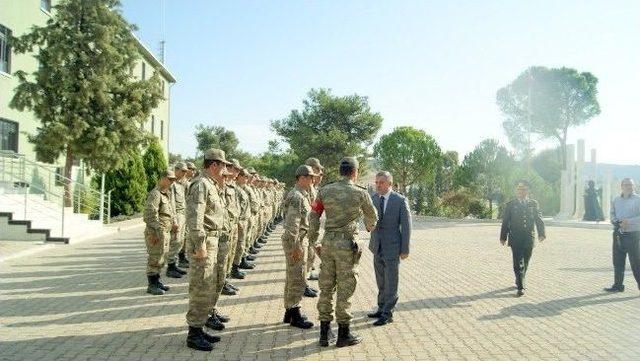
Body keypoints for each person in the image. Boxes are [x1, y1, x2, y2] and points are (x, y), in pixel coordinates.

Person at [310, 157, 377, 347]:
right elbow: (372, 217)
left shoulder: (325, 190)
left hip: (328, 244)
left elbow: (314, 214)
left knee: (326, 287)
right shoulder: (360, 193)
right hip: (348, 245)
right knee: (345, 289)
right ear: (355, 172)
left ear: (340, 171)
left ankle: (324, 333)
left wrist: (314, 240)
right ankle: (343, 335)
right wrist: (369, 227)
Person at [184, 148, 230, 351]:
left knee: (209, 286)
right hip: (204, 243)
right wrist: (200, 245)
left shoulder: (211, 184)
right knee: (201, 287)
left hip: (214, 241)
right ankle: (193, 334)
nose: (225, 169)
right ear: (214, 165)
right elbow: (195, 218)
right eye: (223, 166)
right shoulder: (201, 185)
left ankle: (200, 327)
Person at [367, 171, 411, 326]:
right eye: (377, 182)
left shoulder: (399, 200)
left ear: (390, 184)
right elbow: (368, 220)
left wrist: (405, 249)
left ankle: (388, 313)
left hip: (393, 247)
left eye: (381, 182)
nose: (378, 185)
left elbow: (406, 227)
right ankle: (380, 308)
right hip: (376, 246)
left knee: (391, 280)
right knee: (381, 280)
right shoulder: (372, 199)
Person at [281, 165, 319, 329]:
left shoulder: (301, 195)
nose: (313, 180)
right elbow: (292, 225)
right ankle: (295, 314)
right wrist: (296, 246)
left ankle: (290, 311)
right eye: (310, 177)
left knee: (293, 276)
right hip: (295, 241)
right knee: (297, 277)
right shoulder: (297, 196)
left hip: (297, 240)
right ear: (302, 178)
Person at [499, 180, 546, 297]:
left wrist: (541, 233)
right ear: (516, 191)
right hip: (515, 237)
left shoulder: (533, 204)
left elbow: (538, 219)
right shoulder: (511, 205)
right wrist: (503, 237)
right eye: (519, 189)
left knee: (525, 261)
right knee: (518, 262)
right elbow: (505, 222)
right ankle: (521, 286)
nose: (520, 191)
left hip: (529, 237)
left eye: (523, 189)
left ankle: (519, 278)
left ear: (528, 191)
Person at [143, 170, 177, 295]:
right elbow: (149, 215)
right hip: (156, 232)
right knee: (155, 258)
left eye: (174, 180)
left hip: (164, 232)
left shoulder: (165, 194)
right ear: (162, 178)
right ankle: (151, 285)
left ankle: (157, 282)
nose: (172, 182)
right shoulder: (156, 194)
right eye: (170, 179)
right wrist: (154, 233)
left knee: (161, 258)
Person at [604, 178, 640, 293]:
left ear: (633, 186)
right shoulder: (616, 200)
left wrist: (628, 221)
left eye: (630, 185)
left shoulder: (638, 199)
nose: (628, 187)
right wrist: (617, 222)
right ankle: (618, 285)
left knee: (636, 262)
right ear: (621, 186)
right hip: (618, 234)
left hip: (633, 235)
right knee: (618, 261)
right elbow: (612, 215)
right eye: (626, 185)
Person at [166, 162, 189, 278]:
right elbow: (171, 204)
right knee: (175, 241)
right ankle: (170, 267)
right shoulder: (172, 184)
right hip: (177, 216)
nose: (185, 173)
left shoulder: (180, 184)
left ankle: (174, 265)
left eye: (186, 171)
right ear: (176, 170)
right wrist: (174, 220)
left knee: (180, 241)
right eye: (183, 171)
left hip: (182, 215)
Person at [305, 157, 324, 290]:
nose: (320, 175)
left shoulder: (312, 187)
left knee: (310, 256)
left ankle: (305, 279)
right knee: (306, 257)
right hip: (307, 230)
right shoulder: (307, 187)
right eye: (318, 171)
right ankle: (303, 284)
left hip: (312, 229)